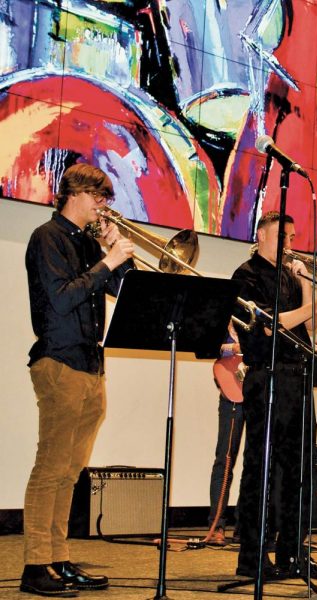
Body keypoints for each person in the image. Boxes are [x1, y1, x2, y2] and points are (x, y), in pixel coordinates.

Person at [21, 163, 135, 597]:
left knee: (70, 472)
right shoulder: (46, 238)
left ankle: (58, 558)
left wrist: (114, 255)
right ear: (76, 194)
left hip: (90, 367)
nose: (103, 206)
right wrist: (107, 259)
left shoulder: (88, 244)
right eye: (99, 198)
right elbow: (61, 298)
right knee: (50, 469)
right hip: (60, 364)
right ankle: (34, 565)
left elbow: (123, 290)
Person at [231, 211, 317, 579]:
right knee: (261, 471)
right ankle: (252, 557)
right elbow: (267, 327)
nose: (289, 243)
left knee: (299, 473)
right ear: (261, 235)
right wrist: (314, 305)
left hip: (296, 379)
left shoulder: (288, 275)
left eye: (293, 237)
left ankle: (293, 552)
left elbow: (309, 324)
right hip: (267, 379)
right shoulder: (246, 276)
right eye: (282, 235)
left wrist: (307, 284)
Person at [206, 323, 245, 547]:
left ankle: (244, 527)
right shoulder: (219, 319)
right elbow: (206, 347)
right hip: (231, 395)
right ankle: (217, 525)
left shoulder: (256, 321)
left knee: (257, 462)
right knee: (225, 459)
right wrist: (236, 347)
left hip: (256, 389)